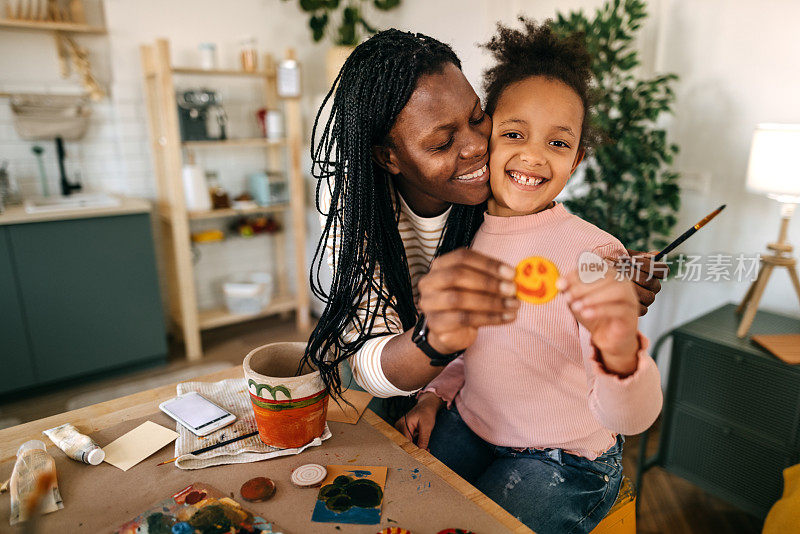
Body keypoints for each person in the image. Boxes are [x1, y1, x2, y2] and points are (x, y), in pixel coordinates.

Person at [302, 28, 666, 414]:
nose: (477, 147)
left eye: (477, 117)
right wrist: (437, 342)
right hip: (410, 375)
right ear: (388, 158)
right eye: (443, 143)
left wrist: (609, 281)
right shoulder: (356, 208)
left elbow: (558, 246)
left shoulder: (505, 195)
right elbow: (367, 359)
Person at [396, 20, 663, 533]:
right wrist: (434, 395)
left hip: (562, 459)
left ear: (576, 160)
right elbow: (474, 344)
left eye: (558, 145)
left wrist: (619, 349)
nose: (533, 156)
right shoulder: (471, 229)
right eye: (514, 134)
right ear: (485, 140)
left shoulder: (594, 253)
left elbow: (629, 417)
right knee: (406, 505)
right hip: (473, 423)